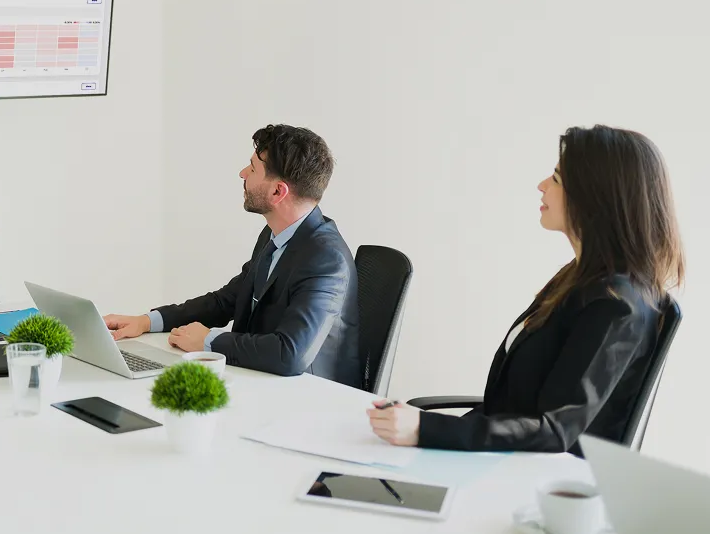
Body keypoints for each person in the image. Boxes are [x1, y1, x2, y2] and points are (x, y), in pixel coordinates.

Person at [368, 125, 684, 454]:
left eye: (557, 180)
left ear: (596, 198)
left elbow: (555, 431)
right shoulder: (581, 277)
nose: (542, 186)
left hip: (535, 482)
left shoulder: (617, 304)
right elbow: (516, 406)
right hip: (506, 461)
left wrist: (427, 428)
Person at [104, 125, 360, 382]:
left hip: (309, 399)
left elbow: (290, 354)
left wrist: (209, 341)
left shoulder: (326, 259)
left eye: (252, 168)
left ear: (277, 192)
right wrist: (146, 322)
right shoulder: (276, 234)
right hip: (258, 381)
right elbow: (227, 301)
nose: (242, 174)